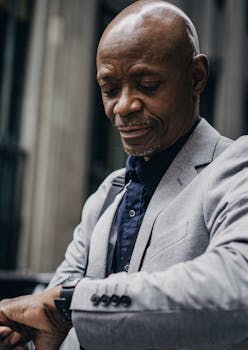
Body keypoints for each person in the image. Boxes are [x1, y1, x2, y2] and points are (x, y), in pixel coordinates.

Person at [1, 0, 248, 349]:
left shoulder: (238, 166)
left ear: (196, 78)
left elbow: (239, 287)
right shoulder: (106, 194)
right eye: (109, 89)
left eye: (147, 85)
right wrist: (21, 335)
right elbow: (53, 318)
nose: (123, 106)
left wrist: (70, 305)